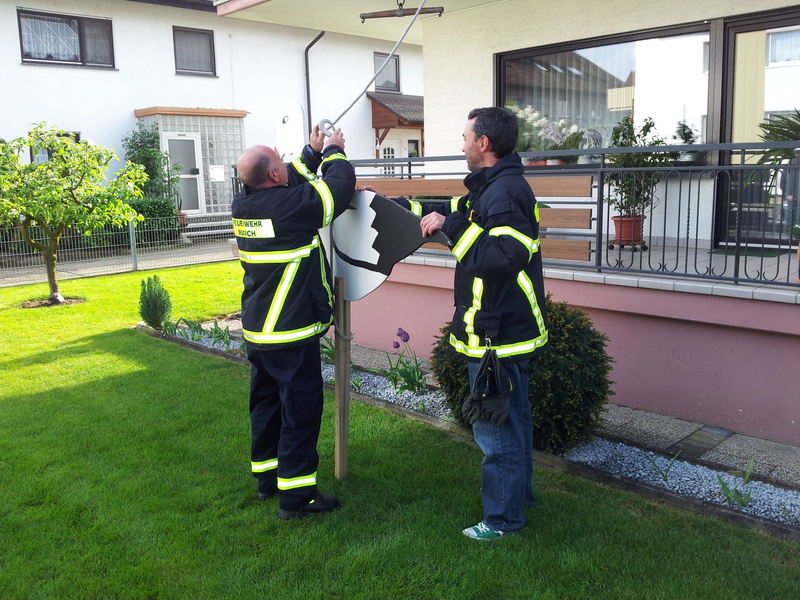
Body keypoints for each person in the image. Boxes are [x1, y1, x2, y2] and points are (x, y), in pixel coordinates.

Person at [363, 107, 548, 539]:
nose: (462, 145)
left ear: (483, 143)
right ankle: (518, 500)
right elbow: (444, 210)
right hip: (504, 329)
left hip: (497, 336)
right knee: (514, 421)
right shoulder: (492, 187)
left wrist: (454, 227)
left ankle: (502, 521)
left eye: (465, 138)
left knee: (495, 428)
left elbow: (501, 258)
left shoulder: (505, 194)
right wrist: (388, 205)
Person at [232, 125, 355, 519]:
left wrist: (310, 153)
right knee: (300, 412)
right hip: (289, 331)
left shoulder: (245, 204)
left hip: (259, 332)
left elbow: (291, 182)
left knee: (266, 405)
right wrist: (334, 152)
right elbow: (337, 189)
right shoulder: (288, 207)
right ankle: (297, 498)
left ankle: (267, 479)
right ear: (272, 175)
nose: (286, 164)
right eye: (280, 160)